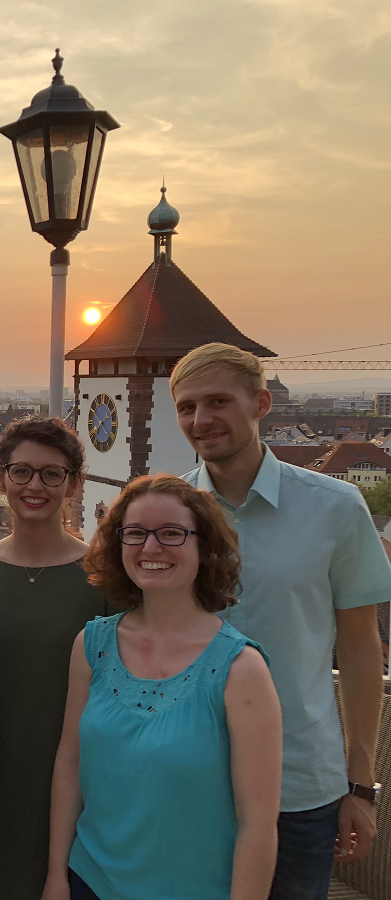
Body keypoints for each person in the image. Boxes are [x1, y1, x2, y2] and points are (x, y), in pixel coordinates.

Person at [171, 343, 390, 900]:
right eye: (187, 406)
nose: (201, 420)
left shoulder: (335, 507)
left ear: (262, 403)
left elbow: (363, 650)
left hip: (298, 787)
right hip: (183, 778)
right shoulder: (165, 515)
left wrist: (361, 786)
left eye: (218, 401)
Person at [44, 474, 282, 900]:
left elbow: (258, 825)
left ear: (204, 547)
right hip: (90, 883)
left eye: (172, 533)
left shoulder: (241, 670)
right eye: (135, 533)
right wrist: (56, 878)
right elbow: (69, 766)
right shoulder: (92, 646)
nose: (151, 548)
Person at [0, 417, 112, 900]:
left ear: (74, 483)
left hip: (74, 781)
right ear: (0, 477)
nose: (34, 485)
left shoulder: (103, 578)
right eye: (21, 472)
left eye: (52, 474)